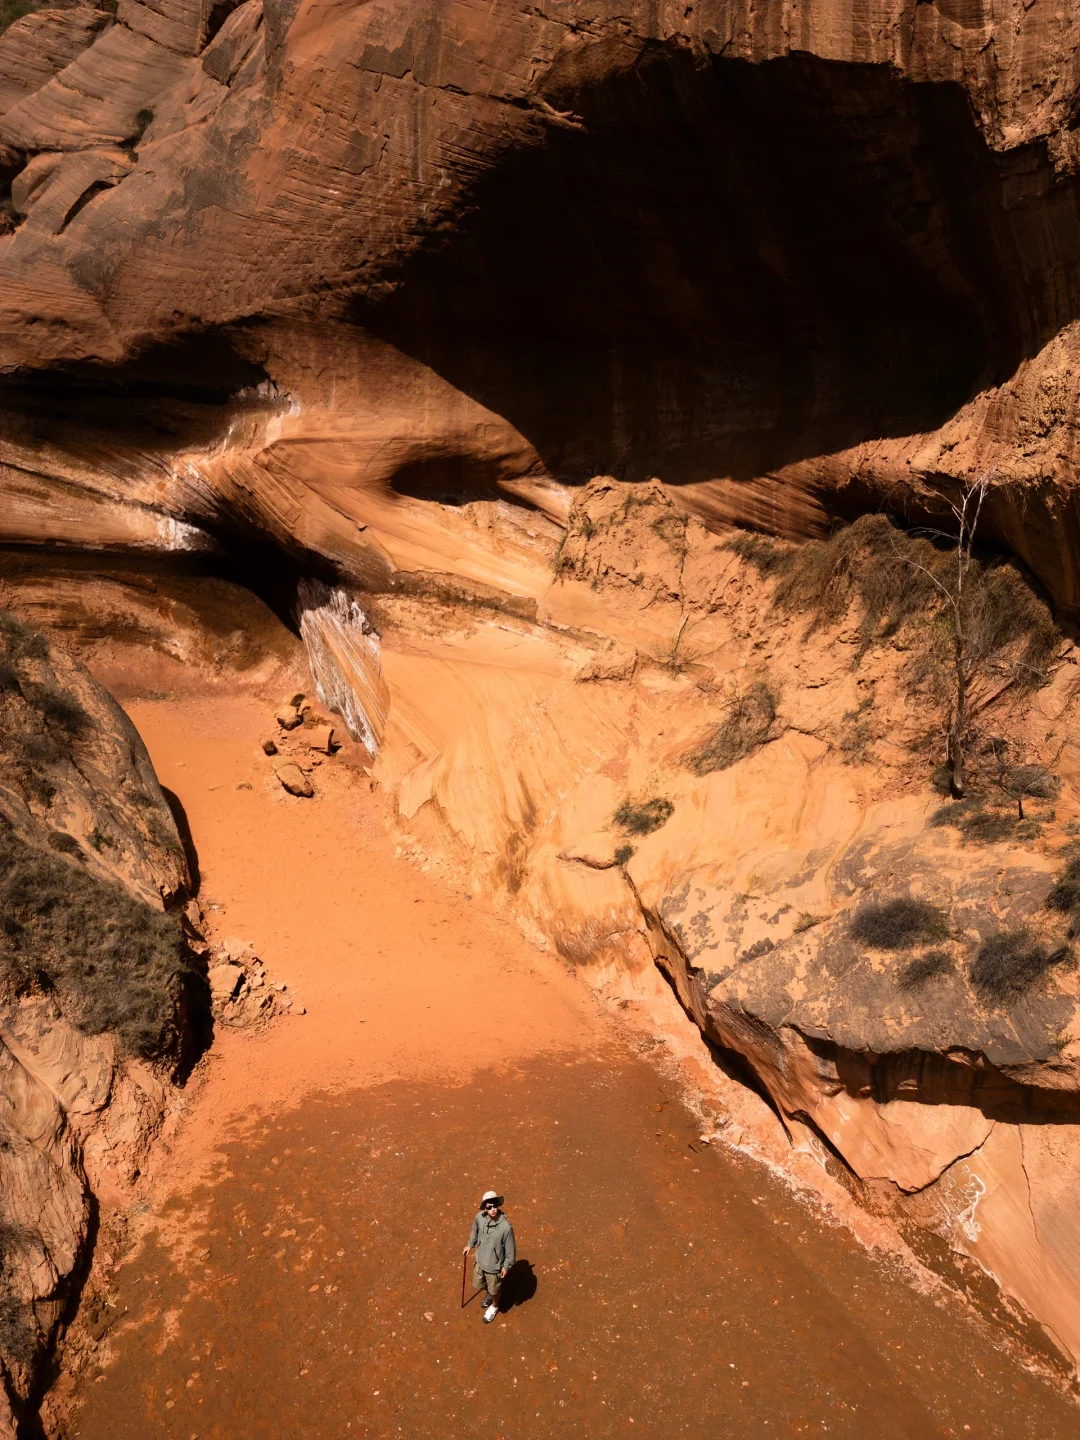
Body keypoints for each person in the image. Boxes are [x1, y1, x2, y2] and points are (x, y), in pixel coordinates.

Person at [463, 1190, 516, 1323]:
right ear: (485, 1208)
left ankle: (494, 1306)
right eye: (489, 1207)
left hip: (494, 1267)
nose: (493, 1209)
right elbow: (474, 1232)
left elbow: (510, 1251)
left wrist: (506, 1266)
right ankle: (489, 1294)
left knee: (494, 1290)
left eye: (495, 1206)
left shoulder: (506, 1228)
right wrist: (470, 1245)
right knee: (480, 1283)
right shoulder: (479, 1218)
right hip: (480, 1261)